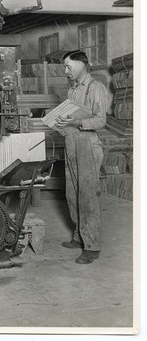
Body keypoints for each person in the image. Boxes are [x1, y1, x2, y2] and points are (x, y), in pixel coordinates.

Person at [56, 50, 107, 265]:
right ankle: (79, 237)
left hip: (87, 144)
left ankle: (92, 247)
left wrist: (77, 123)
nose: (66, 71)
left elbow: (100, 120)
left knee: (87, 197)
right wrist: (59, 124)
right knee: (72, 194)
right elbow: (69, 118)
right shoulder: (72, 90)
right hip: (72, 142)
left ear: (81, 64)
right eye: (65, 67)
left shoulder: (96, 88)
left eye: (69, 66)